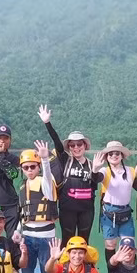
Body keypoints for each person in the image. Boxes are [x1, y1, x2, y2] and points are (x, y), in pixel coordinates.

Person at [38, 105, 102, 245]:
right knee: (67, 240)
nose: (76, 147)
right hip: (67, 209)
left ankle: (85, 267)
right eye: (72, 145)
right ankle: (64, 266)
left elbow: (94, 185)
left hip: (86, 210)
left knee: (84, 241)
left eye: (79, 144)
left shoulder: (92, 164)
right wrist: (47, 123)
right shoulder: (65, 160)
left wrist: (96, 170)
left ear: (85, 146)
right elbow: (57, 143)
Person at [18, 140, 59, 273]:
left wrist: (44, 160)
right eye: (26, 167)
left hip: (45, 238)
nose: (29, 170)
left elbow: (49, 184)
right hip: (27, 236)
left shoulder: (45, 182)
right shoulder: (22, 188)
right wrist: (17, 232)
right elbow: (23, 213)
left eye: (32, 167)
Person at [91, 141, 137, 266]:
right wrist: (94, 169)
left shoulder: (130, 171)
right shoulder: (105, 171)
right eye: (110, 154)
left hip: (125, 212)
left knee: (129, 244)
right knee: (110, 244)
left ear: (122, 156)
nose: (114, 156)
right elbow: (95, 179)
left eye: (117, 153)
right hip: (109, 213)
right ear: (106, 157)